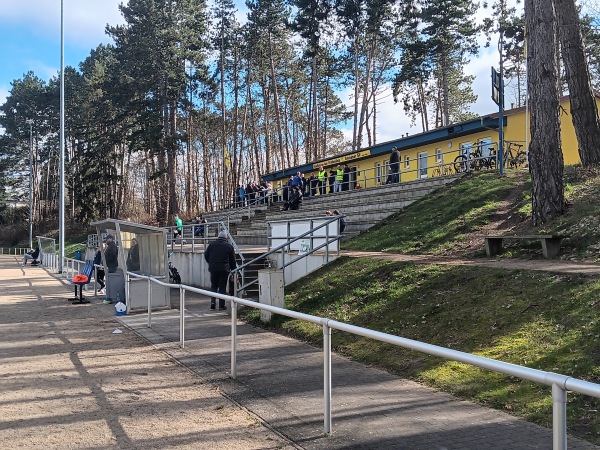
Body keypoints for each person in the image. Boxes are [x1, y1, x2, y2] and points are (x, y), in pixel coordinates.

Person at [204, 230, 236, 311]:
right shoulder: (229, 246)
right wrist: (234, 270)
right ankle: (221, 305)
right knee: (222, 287)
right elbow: (232, 260)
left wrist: (210, 263)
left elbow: (206, 255)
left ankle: (213, 303)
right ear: (226, 238)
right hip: (224, 269)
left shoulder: (212, 245)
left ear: (218, 237)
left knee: (214, 286)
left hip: (213, 268)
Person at [103, 234, 119, 304]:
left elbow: (113, 256)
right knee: (108, 281)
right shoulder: (110, 246)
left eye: (107, 239)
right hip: (110, 265)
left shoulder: (112, 246)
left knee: (110, 281)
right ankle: (109, 296)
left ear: (110, 239)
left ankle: (110, 296)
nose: (106, 240)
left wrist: (106, 261)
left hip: (112, 266)